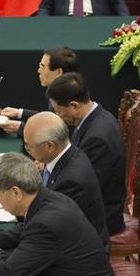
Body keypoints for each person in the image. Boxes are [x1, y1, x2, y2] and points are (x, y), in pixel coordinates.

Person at [0, 153, 113, 276]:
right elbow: (26, 229)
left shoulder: (45, 225)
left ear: (16, 193)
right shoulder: (50, 198)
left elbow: (9, 272)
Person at [47, 72, 126, 235]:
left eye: (58, 111)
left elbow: (81, 189)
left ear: (74, 106)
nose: (58, 116)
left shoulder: (97, 139)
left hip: (100, 218)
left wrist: (37, 195)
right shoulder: (97, 117)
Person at [22, 112, 109, 245]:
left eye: (29, 147)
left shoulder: (70, 182)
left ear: (49, 146)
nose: (28, 151)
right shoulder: (66, 154)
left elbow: (46, 229)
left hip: (76, 251)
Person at [0, 47, 78, 136]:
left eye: (42, 66)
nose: (39, 71)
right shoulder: (61, 91)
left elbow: (57, 134)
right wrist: (20, 113)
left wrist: (22, 128)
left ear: (58, 72)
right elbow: (50, 118)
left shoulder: (67, 98)